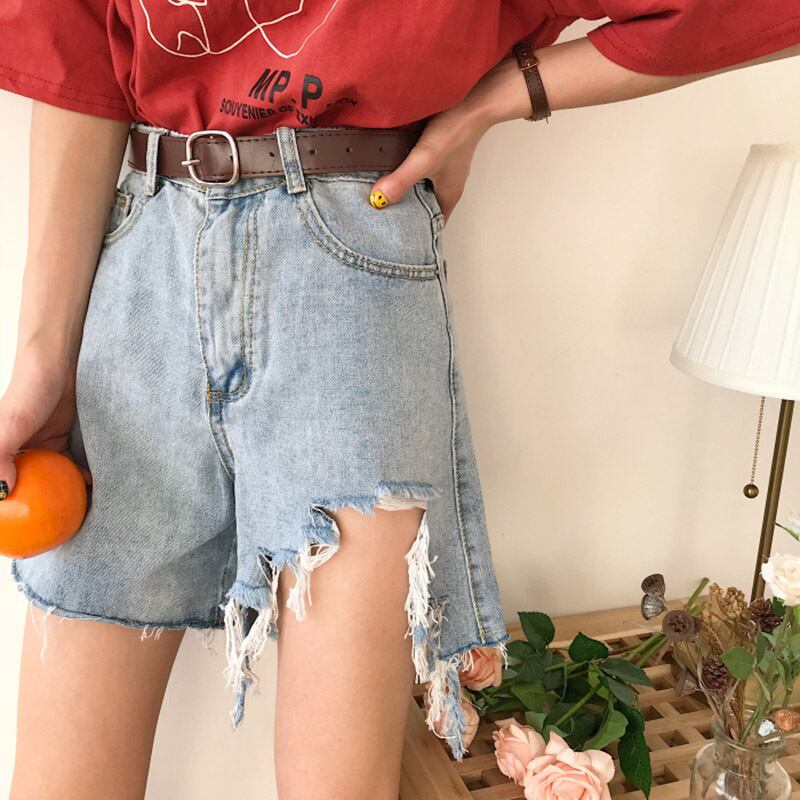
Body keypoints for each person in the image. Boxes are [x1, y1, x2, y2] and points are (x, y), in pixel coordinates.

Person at [0, 2, 798, 798]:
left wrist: (496, 98)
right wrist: (42, 363)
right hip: (140, 269)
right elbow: (75, 51)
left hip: (347, 276)